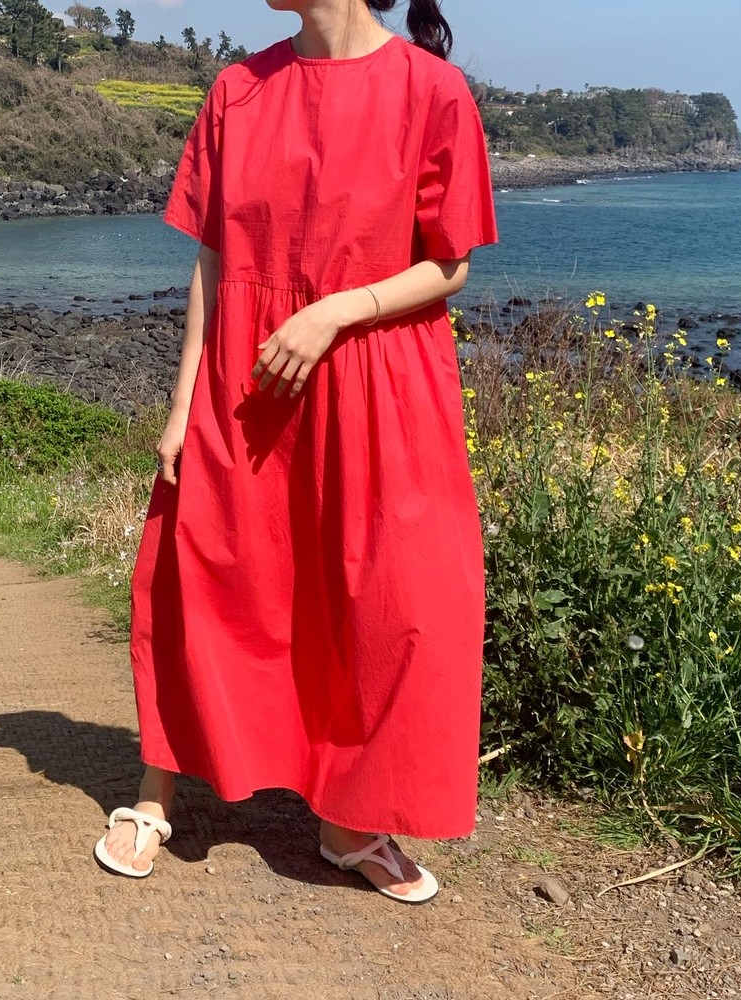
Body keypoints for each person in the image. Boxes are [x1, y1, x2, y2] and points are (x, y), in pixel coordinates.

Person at [94, 0, 497, 904]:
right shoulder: (238, 89)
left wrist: (331, 313)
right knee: (203, 572)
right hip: (247, 375)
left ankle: (350, 817)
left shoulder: (432, 90)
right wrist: (182, 400)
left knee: (391, 594)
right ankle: (155, 796)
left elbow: (451, 263)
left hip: (379, 377)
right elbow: (212, 258)